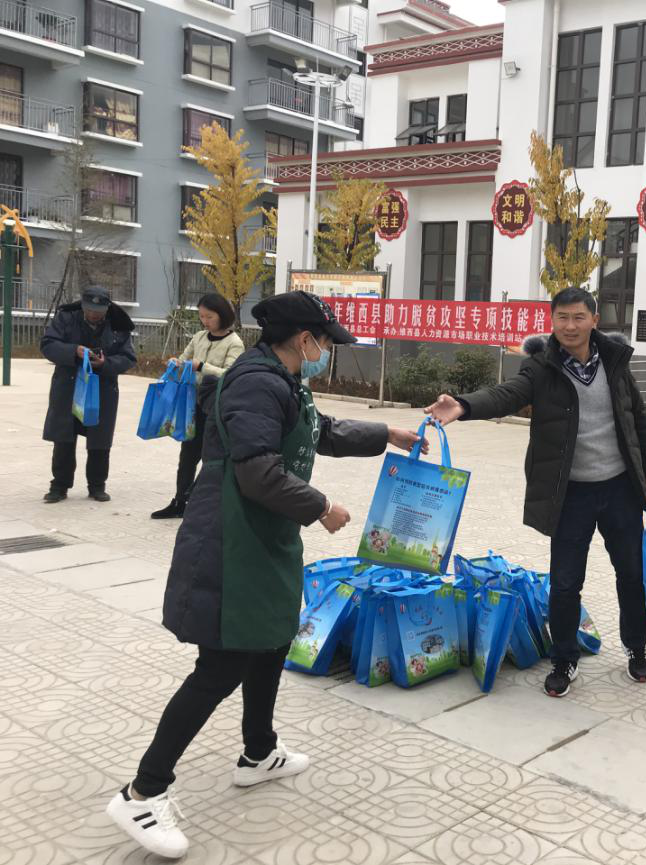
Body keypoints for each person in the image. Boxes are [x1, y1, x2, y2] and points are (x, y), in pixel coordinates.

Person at [104, 291, 427, 859]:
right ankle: (142, 793)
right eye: (325, 341)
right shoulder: (257, 383)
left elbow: (318, 430)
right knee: (221, 665)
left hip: (265, 535)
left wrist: (385, 435)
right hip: (231, 540)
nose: (327, 350)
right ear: (304, 340)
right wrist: (321, 507)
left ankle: (258, 752)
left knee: (273, 640)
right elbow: (256, 471)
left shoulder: (283, 378)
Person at [426, 287, 646, 699]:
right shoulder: (542, 367)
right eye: (562, 318)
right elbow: (507, 394)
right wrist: (463, 405)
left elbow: (637, 416)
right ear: (551, 322)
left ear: (594, 320)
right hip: (569, 493)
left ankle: (636, 646)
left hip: (620, 488)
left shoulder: (614, 362)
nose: (570, 326)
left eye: (578, 317)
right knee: (566, 582)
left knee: (631, 574)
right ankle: (564, 658)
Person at [40, 284, 137, 503]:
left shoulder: (118, 324)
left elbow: (129, 358)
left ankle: (97, 485)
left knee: (99, 440)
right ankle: (59, 486)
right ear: (82, 306)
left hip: (102, 388)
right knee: (64, 437)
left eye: (98, 312)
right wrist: (73, 350)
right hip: (68, 386)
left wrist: (105, 363)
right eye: (89, 310)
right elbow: (47, 345)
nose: (93, 315)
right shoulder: (66, 318)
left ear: (107, 309)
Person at [152, 293, 245, 519]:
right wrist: (176, 363)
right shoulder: (199, 337)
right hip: (192, 406)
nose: (205, 321)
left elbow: (231, 375)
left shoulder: (234, 343)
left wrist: (202, 366)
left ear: (222, 315)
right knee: (187, 456)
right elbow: (184, 359)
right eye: (202, 316)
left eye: (209, 316)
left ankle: (199, 503)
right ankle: (179, 501)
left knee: (211, 459)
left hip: (216, 408)